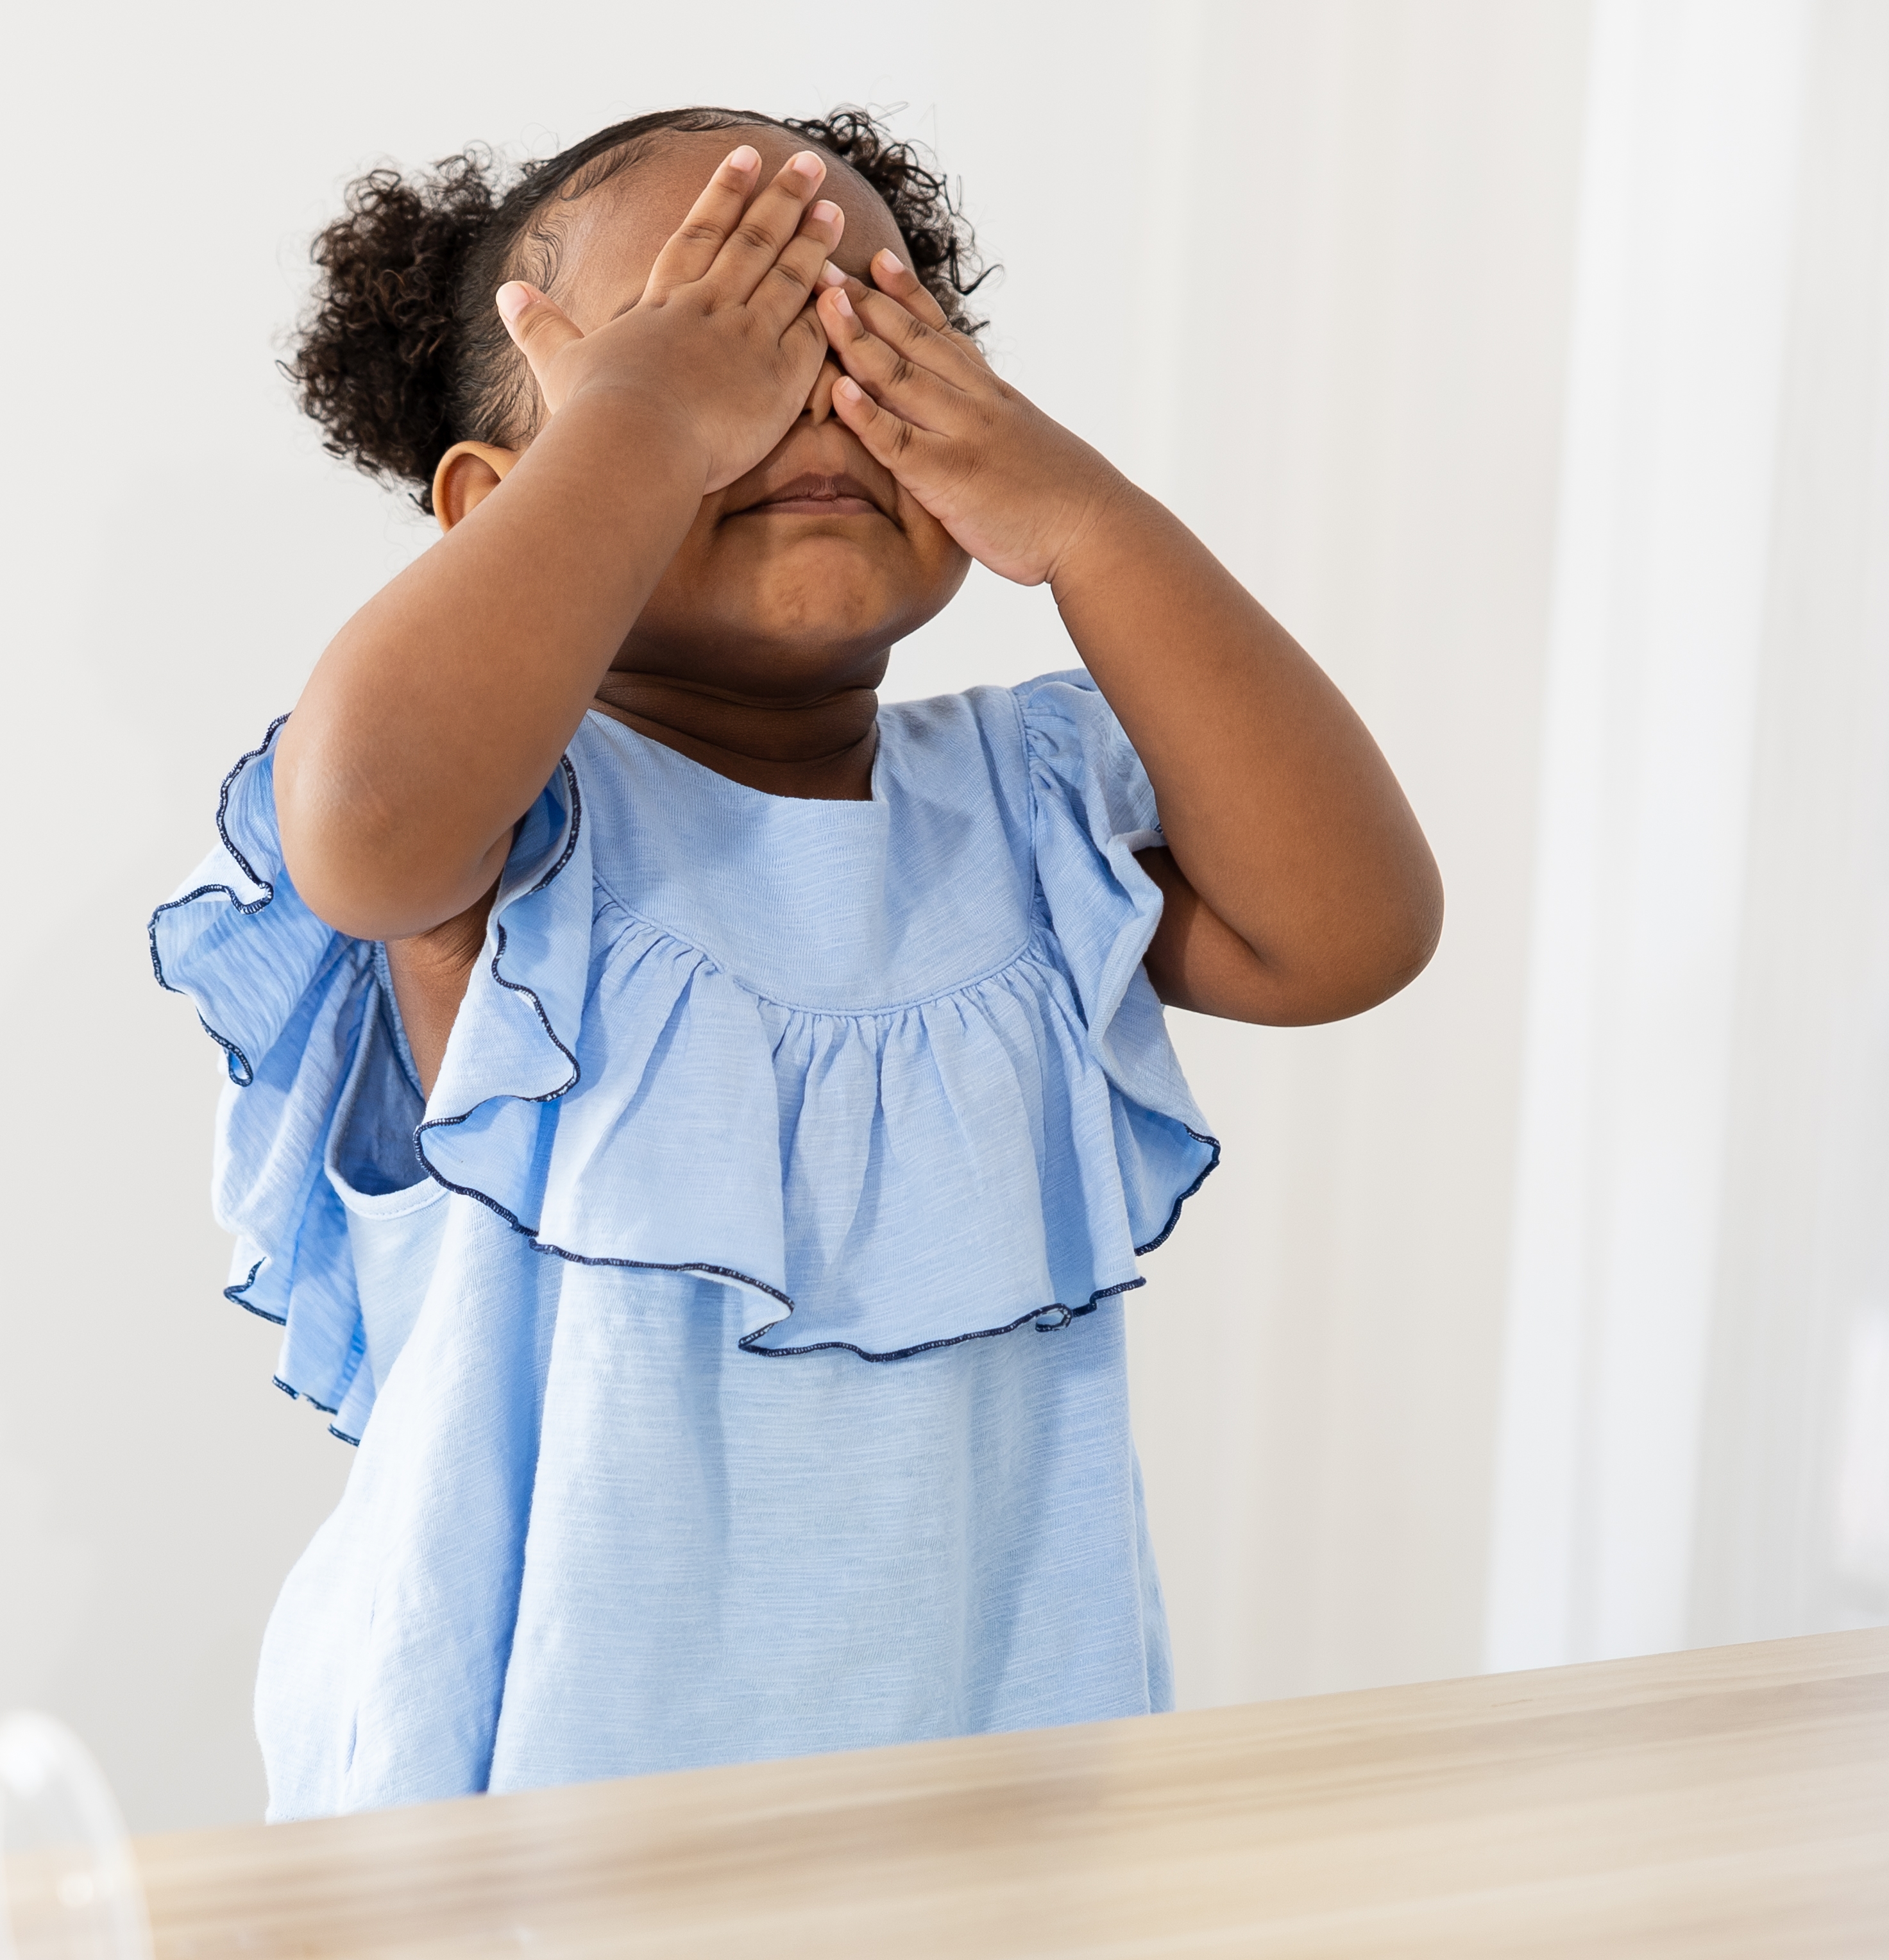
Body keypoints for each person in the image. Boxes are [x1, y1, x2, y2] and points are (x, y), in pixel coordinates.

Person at [150, 107, 1441, 1818]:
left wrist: (1090, 523)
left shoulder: (1027, 810)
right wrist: (637, 433)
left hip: (987, 1821)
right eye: (706, 339)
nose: (786, 400)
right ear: (497, 507)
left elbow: (1353, 927)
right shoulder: (514, 833)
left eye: (856, 339)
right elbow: (365, 818)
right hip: (530, 1850)